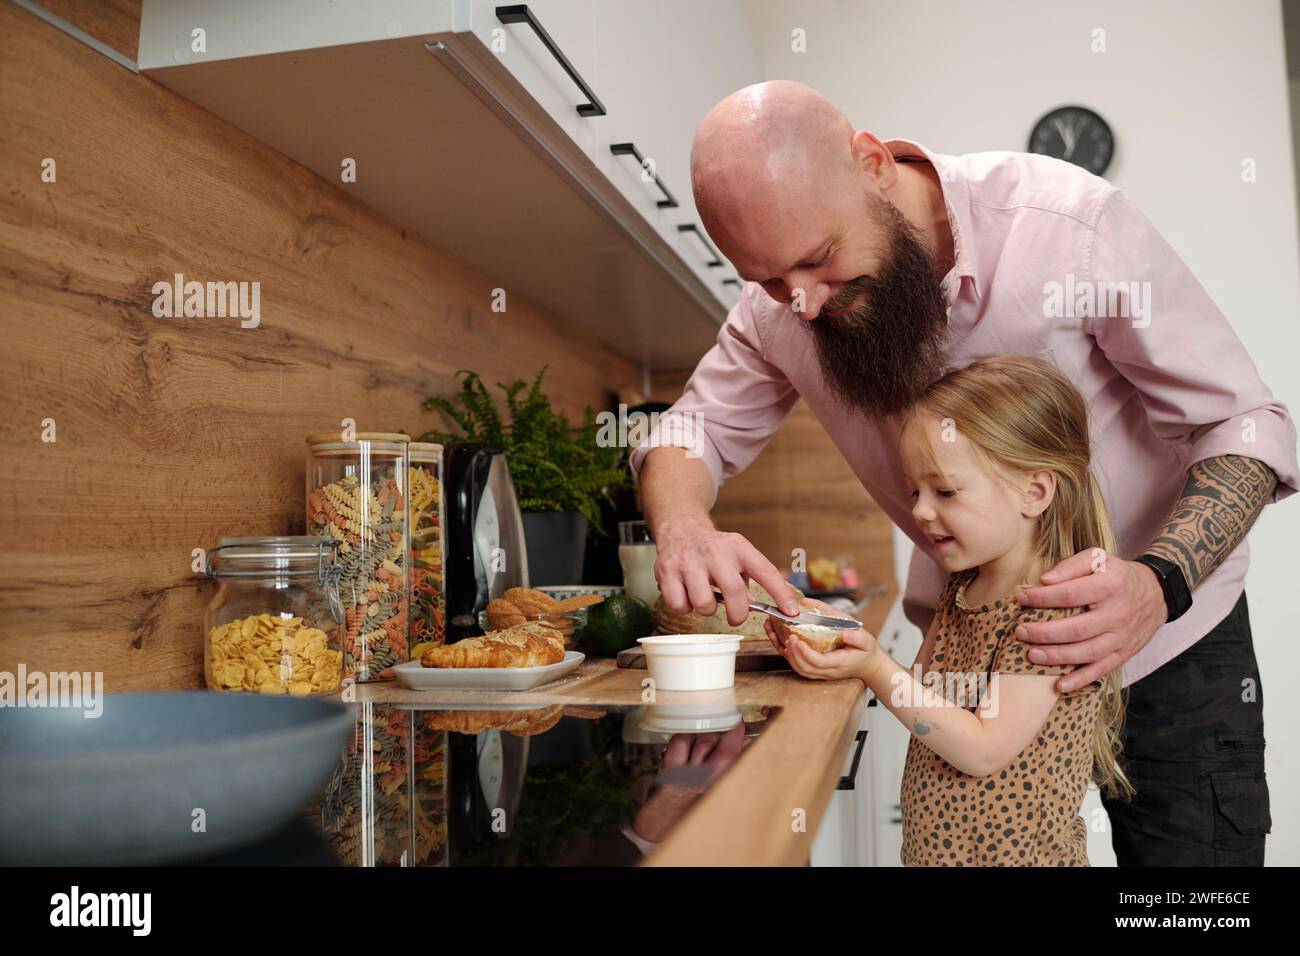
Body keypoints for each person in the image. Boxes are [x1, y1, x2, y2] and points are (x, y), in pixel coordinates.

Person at [630, 80, 1298, 865]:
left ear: (873, 163)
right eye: (769, 280)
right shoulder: (782, 308)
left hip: (1166, 640)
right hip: (968, 657)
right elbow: (690, 428)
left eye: (817, 260)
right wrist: (681, 526)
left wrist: (1156, 585)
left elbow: (1246, 424)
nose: (800, 304)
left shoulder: (1066, 227)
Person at [771, 354, 1130, 865]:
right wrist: (837, 633)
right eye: (914, 490)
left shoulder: (1051, 609)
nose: (919, 510)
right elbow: (922, 697)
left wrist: (873, 666)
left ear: (1034, 491)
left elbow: (981, 749)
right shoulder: (961, 588)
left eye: (945, 490)